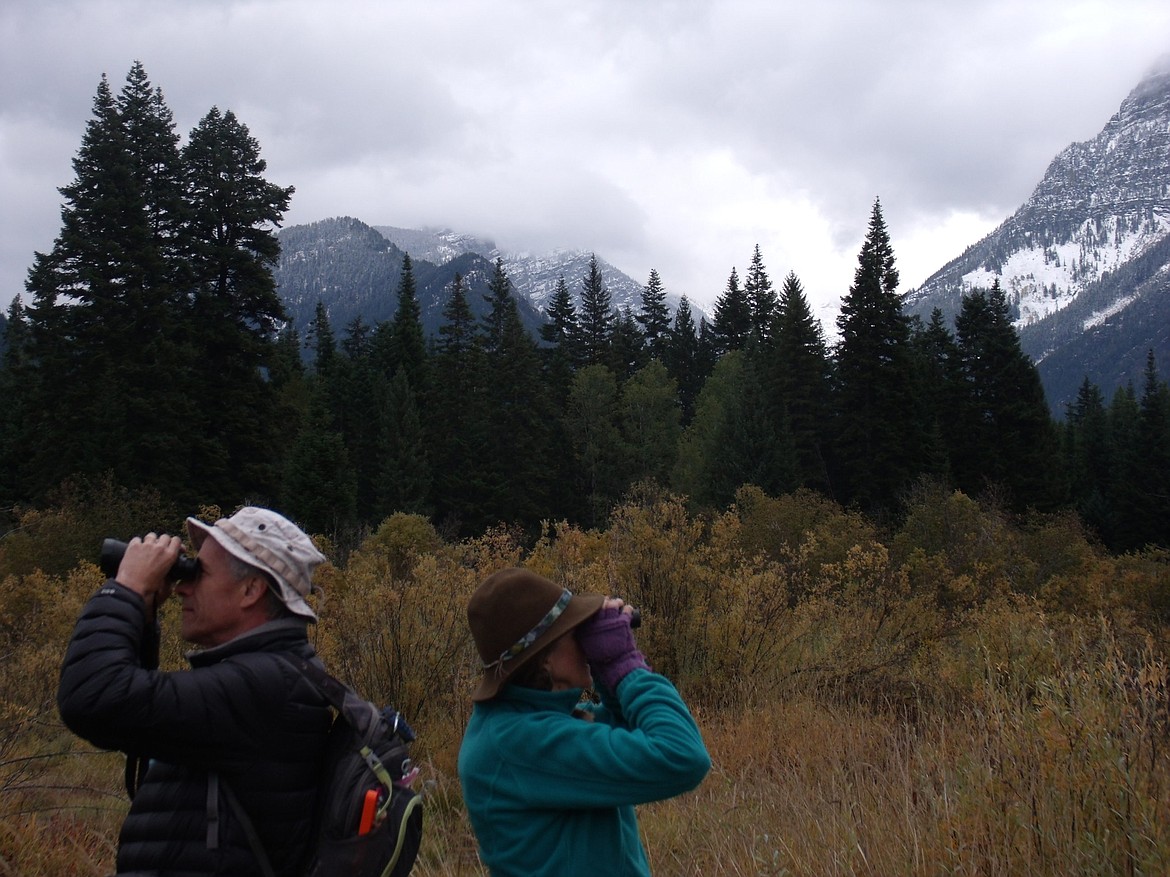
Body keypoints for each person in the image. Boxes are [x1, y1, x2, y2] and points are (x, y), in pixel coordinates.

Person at [57, 507, 332, 877]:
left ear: (251, 589)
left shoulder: (265, 684)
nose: (183, 586)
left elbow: (94, 697)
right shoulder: (271, 675)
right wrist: (142, 610)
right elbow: (131, 713)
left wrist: (124, 590)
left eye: (197, 574)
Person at [458, 567, 710, 877]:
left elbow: (626, 734)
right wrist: (622, 663)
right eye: (576, 631)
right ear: (544, 658)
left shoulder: (525, 723)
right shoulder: (518, 741)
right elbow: (682, 754)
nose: (587, 639)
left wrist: (609, 677)